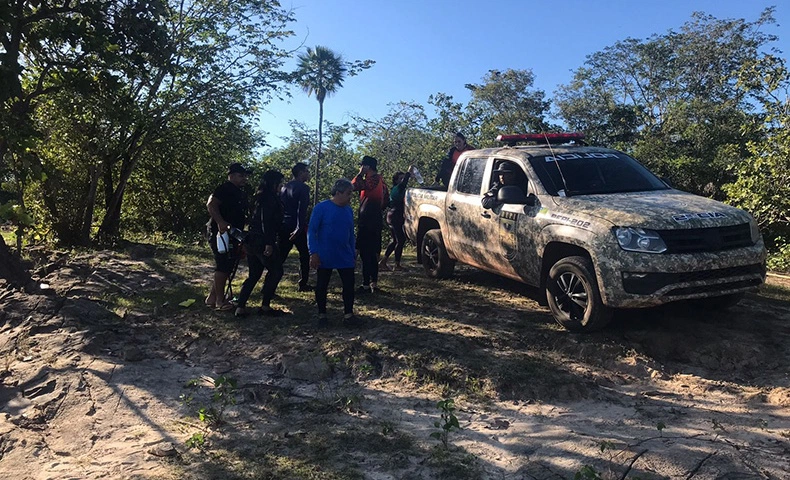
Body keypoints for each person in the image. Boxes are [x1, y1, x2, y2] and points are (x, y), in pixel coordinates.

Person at [308, 179, 361, 327]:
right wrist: (314, 252)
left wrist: (353, 251)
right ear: (338, 193)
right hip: (325, 253)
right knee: (322, 284)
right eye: (348, 193)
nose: (351, 197)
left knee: (349, 284)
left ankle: (348, 315)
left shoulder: (348, 210)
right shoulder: (321, 208)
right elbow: (312, 231)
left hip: (344, 253)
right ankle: (322, 315)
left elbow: (351, 233)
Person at [235, 170, 286, 317]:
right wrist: (269, 243)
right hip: (262, 240)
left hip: (252, 239)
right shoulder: (269, 199)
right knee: (276, 270)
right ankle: (265, 306)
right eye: (280, 183)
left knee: (254, 274)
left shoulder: (258, 197)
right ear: (274, 183)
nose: (281, 186)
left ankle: (241, 306)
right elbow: (266, 222)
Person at [206, 162, 250, 311]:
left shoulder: (239, 191)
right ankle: (219, 301)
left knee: (228, 264)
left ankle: (212, 297)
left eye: (245, 176)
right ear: (231, 176)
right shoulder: (224, 188)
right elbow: (211, 204)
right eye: (240, 175)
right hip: (221, 233)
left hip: (233, 233)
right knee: (223, 264)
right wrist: (220, 222)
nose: (244, 178)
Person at [351, 155, 387, 293]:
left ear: (367, 166)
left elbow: (353, 186)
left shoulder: (373, 179)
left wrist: (359, 174)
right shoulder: (380, 180)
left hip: (368, 220)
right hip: (373, 219)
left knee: (367, 253)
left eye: (362, 166)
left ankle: (368, 284)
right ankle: (372, 283)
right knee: (371, 252)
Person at [279, 162, 313, 292]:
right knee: (305, 255)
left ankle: (269, 285)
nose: (308, 174)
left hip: (284, 225)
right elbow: (301, 209)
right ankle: (303, 283)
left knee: (281, 256)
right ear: (300, 173)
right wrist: (299, 227)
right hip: (296, 226)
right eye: (306, 171)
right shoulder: (303, 188)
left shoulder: (283, 187)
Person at [379, 165, 415, 272]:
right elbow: (404, 184)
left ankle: (383, 262)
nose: (403, 180)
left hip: (392, 216)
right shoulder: (398, 188)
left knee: (395, 240)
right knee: (401, 239)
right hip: (395, 216)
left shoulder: (395, 190)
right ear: (396, 180)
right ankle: (397, 265)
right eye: (401, 178)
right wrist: (409, 172)